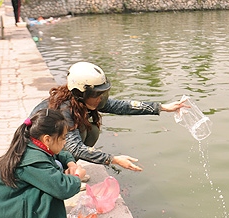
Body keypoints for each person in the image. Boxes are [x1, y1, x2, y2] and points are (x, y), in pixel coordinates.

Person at [30, 61, 188, 172]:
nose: (100, 99)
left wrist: (162, 107)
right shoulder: (64, 110)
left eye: (102, 93)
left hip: (54, 147)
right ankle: (61, 173)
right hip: (39, 154)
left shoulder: (83, 99)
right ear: (80, 92)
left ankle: (68, 170)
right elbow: (76, 148)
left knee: (91, 130)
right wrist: (113, 159)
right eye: (96, 94)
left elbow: (122, 106)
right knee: (82, 136)